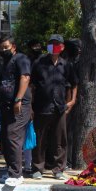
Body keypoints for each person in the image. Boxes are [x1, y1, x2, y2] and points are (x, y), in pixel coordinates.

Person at [30, 34, 77, 181]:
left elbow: (74, 83)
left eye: (57, 44)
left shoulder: (66, 64)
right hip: (41, 107)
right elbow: (31, 85)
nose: (54, 46)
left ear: (62, 47)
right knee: (40, 138)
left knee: (60, 139)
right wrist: (30, 106)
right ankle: (37, 168)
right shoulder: (39, 63)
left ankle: (58, 169)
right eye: (51, 43)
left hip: (60, 107)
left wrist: (73, 100)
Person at [0, 36, 32, 187]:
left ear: (13, 46)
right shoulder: (3, 62)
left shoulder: (21, 59)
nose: (4, 50)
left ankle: (16, 173)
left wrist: (18, 99)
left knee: (13, 136)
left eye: (6, 47)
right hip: (5, 105)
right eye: (1, 48)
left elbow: (25, 77)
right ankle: (11, 168)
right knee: (4, 138)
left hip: (18, 105)